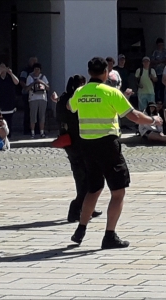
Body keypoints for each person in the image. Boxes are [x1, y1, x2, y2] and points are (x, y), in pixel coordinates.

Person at [68, 57, 165, 249]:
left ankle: (81, 228)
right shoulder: (111, 92)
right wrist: (154, 120)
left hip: (87, 145)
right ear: (106, 73)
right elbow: (133, 115)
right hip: (107, 145)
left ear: (89, 73)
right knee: (118, 191)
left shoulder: (80, 91)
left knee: (93, 189)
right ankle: (109, 236)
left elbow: (70, 107)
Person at [52, 75, 103, 222]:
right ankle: (76, 208)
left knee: (82, 177)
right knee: (86, 178)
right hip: (78, 142)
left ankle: (88, 207)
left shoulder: (63, 99)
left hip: (72, 141)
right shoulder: (71, 100)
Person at [0, 62, 19, 137]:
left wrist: (11, 73)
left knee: (9, 120)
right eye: (1, 67)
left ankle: (8, 135)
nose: (3, 68)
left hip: (9, 102)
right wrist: (0, 72)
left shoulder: (9, 77)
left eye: (4, 66)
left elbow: (17, 82)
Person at [25, 63, 50, 138]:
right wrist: (34, 83)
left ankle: (42, 132)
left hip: (42, 98)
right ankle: (32, 132)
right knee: (33, 116)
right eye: (35, 69)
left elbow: (48, 88)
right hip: (33, 99)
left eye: (38, 69)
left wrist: (42, 82)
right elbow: (26, 89)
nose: (36, 71)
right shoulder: (30, 77)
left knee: (42, 116)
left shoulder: (43, 77)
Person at [19, 57, 38, 135]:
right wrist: (26, 88)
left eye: (35, 62)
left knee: (35, 112)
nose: (34, 63)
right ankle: (26, 129)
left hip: (36, 95)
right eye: (33, 61)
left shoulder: (37, 71)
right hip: (27, 94)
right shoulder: (25, 71)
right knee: (27, 112)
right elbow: (21, 81)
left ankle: (36, 129)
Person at [151, 38, 166, 103]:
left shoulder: (165, 51)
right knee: (157, 88)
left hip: (164, 73)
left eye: (162, 45)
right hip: (157, 73)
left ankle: (162, 102)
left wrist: (163, 61)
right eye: (159, 45)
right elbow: (152, 61)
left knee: (163, 88)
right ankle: (156, 102)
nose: (161, 46)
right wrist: (158, 62)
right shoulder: (155, 52)